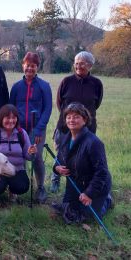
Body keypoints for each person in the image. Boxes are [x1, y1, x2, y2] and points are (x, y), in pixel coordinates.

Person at [50, 51, 104, 193]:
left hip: (87, 128)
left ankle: (81, 183)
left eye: (83, 63)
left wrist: (83, 119)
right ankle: (55, 179)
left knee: (83, 157)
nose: (79, 66)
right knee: (61, 154)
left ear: (90, 65)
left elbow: (96, 103)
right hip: (66, 126)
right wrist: (70, 119)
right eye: (77, 63)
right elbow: (59, 103)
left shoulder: (96, 84)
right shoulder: (66, 81)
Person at [52, 102, 112, 223]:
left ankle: (107, 200)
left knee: (89, 216)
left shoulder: (93, 143)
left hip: (96, 185)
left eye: (76, 117)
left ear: (84, 120)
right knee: (68, 210)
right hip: (75, 182)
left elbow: (101, 172)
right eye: (68, 117)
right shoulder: (64, 139)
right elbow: (59, 160)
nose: (71, 120)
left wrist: (89, 194)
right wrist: (57, 168)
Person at [10, 52, 52, 203]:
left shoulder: (44, 86)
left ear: (37, 67)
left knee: (37, 157)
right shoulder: (16, 87)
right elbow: (11, 109)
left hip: (37, 129)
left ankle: (40, 187)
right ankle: (20, 187)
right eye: (27, 65)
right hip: (20, 129)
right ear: (23, 66)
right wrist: (15, 128)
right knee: (20, 157)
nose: (30, 69)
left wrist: (39, 129)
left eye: (33, 66)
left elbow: (47, 109)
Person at [0, 104, 37, 202]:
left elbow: (29, 157)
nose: (11, 121)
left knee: (22, 187)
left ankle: (12, 191)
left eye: (14, 118)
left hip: (17, 170)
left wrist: (32, 152)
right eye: (7, 118)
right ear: (1, 118)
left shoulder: (22, 134)